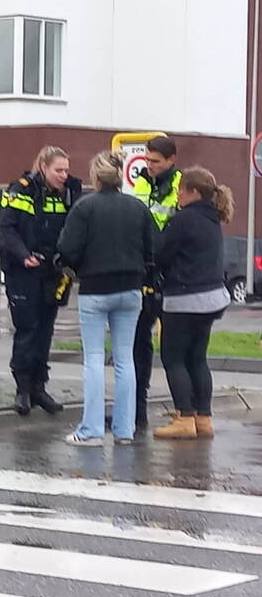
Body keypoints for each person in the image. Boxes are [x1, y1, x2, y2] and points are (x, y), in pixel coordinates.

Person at [56, 152, 155, 446]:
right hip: (131, 289)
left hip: (96, 290)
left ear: (96, 177)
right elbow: (153, 247)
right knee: (126, 360)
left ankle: (92, 430)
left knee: (95, 359)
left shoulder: (84, 208)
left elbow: (67, 248)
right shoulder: (137, 208)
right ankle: (125, 430)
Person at [0, 146, 83, 415]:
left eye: (66, 170)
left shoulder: (69, 193)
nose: (64, 175)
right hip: (23, 272)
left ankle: (39, 388)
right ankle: (22, 389)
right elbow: (6, 230)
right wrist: (23, 256)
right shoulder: (20, 190)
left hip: (53, 273)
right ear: (44, 167)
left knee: (46, 331)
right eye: (59, 170)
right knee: (27, 329)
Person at [153, 166, 233, 440]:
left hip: (184, 298)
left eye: (180, 191)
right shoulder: (214, 218)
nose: (177, 196)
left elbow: (162, 254)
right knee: (198, 358)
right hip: (212, 297)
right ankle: (204, 417)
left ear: (193, 192)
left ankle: (184, 417)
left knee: (173, 358)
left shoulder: (183, 219)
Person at [131, 136, 182, 430]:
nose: (149, 166)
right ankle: (138, 411)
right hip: (144, 271)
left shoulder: (179, 186)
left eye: (156, 161)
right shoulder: (141, 183)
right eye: (147, 160)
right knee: (140, 343)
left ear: (172, 160)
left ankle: (185, 412)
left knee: (174, 349)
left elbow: (178, 231)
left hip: (169, 274)